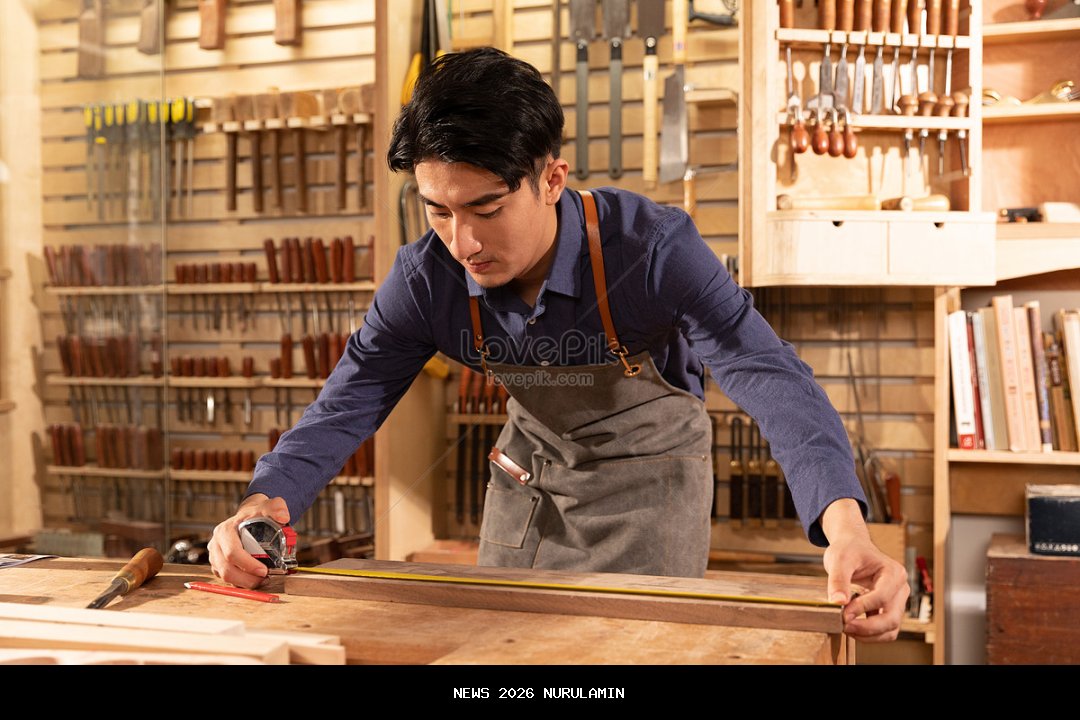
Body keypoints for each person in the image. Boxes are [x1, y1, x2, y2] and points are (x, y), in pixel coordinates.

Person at [209, 48, 908, 642]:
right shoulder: (425, 279)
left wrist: (845, 526)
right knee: (503, 660)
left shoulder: (653, 250)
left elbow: (768, 373)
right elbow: (348, 402)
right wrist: (263, 503)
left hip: (653, 488)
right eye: (438, 211)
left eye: (486, 208)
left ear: (551, 179)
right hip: (528, 481)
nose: (463, 242)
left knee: (621, 662)